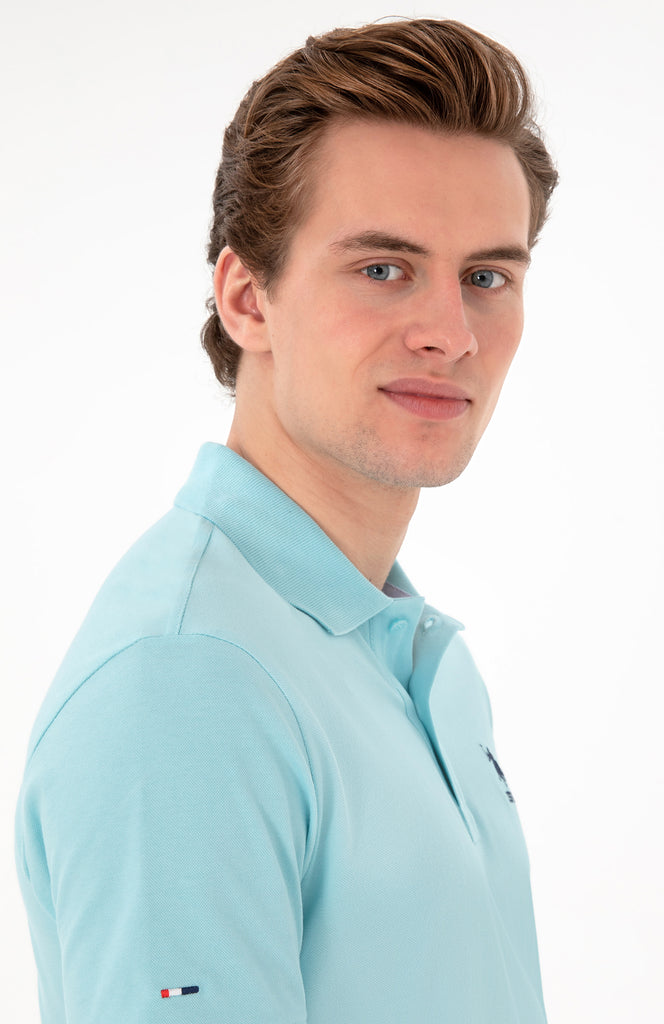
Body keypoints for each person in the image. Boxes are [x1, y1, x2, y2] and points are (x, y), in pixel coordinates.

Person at [15, 17, 558, 1024]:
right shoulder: (189, 684)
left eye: (485, 277)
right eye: (383, 268)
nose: (449, 334)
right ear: (246, 298)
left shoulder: (399, 648)